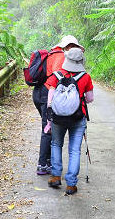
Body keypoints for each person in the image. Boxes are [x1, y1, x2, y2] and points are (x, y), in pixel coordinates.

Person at [45, 46, 94, 195]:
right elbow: (90, 98)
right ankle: (71, 184)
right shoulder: (85, 77)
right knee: (74, 150)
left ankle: (55, 176)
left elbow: (50, 99)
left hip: (58, 118)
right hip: (78, 117)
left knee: (56, 144)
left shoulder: (57, 75)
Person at [33, 35, 83, 175]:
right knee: (48, 127)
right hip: (47, 91)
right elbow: (58, 77)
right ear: (67, 47)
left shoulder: (53, 54)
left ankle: (48, 161)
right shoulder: (61, 56)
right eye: (73, 47)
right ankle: (42, 164)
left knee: (49, 127)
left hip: (41, 92)